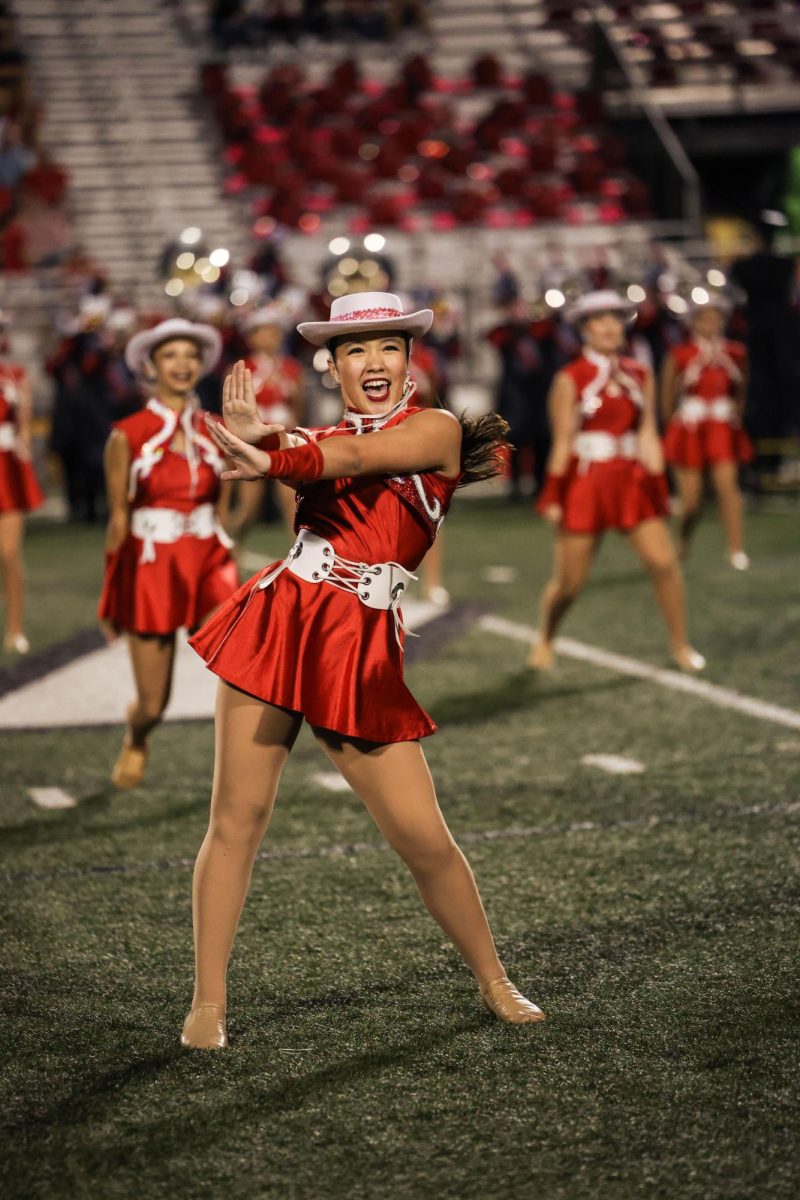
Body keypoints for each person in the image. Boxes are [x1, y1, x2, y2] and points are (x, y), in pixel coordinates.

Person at [181, 291, 544, 1050]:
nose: (372, 362)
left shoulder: (435, 430)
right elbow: (316, 444)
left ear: (410, 360)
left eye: (387, 348)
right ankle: (208, 1002)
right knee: (236, 822)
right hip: (280, 620)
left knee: (422, 836)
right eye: (355, 350)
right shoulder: (320, 430)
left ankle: (494, 979)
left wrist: (275, 453)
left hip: (358, 644)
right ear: (334, 364)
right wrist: (263, 438)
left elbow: (354, 457)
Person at [532, 290, 705, 674]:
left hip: (631, 480)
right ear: (584, 329)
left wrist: (661, 488)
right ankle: (546, 635)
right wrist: (553, 496)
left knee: (664, 563)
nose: (610, 327)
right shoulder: (569, 377)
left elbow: (647, 434)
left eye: (616, 319)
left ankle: (680, 644)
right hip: (586, 482)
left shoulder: (640, 372)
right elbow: (562, 441)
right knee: (570, 583)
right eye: (600, 320)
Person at [98, 318, 239, 789]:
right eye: (171, 355)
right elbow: (119, 521)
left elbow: (221, 508)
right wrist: (110, 597)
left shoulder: (214, 430)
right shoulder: (128, 435)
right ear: (151, 366)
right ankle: (137, 737)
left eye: (191, 355)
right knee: (154, 703)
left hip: (207, 563)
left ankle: (244, 768)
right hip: (152, 568)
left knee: (242, 662)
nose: (183, 364)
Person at [661, 298, 752, 568]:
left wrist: (734, 413)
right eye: (705, 319)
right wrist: (674, 425)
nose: (711, 325)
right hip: (690, 427)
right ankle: (683, 542)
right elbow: (667, 397)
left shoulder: (735, 352)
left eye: (716, 319)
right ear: (694, 323)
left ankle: (736, 548)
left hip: (721, 426)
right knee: (691, 502)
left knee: (728, 490)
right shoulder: (680, 354)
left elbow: (741, 388)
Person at [224, 304, 302, 541]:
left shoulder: (291, 367)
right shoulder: (241, 367)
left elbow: (297, 406)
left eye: (275, 332)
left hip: (283, 438)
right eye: (264, 331)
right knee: (250, 506)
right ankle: (227, 552)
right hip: (253, 441)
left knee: (293, 505)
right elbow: (231, 408)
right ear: (252, 337)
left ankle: (299, 563)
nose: (271, 337)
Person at [0, 309, 43, 654]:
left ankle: (15, 626)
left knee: (9, 552)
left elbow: (24, 425)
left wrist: (24, 443)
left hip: (6, 469)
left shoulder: (15, 375)